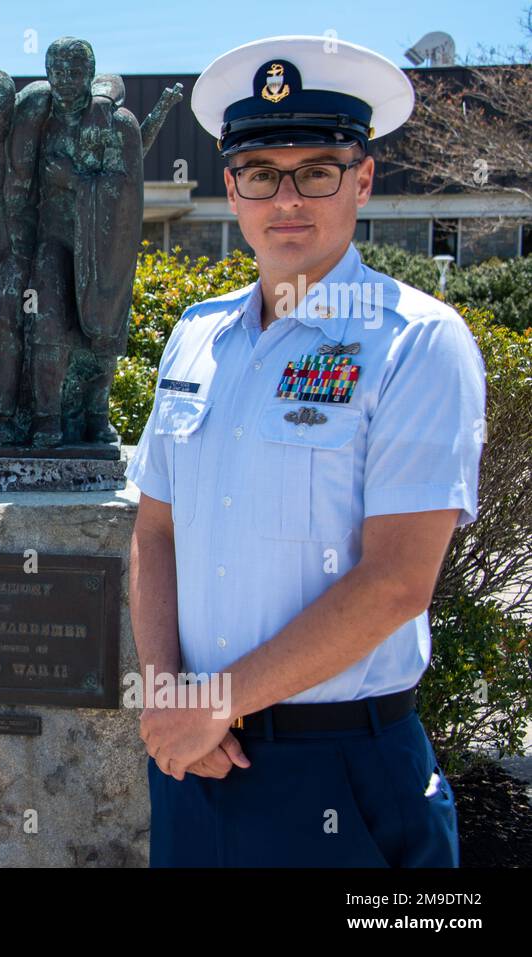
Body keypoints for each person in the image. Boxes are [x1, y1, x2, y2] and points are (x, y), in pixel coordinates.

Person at [126, 36, 485, 866]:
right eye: (260, 173)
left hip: (344, 773)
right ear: (231, 188)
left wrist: (215, 702)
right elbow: (156, 531)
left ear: (362, 178)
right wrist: (167, 691)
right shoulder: (197, 335)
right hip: (195, 759)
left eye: (316, 169)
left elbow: (396, 581)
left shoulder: (415, 343)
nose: (286, 199)